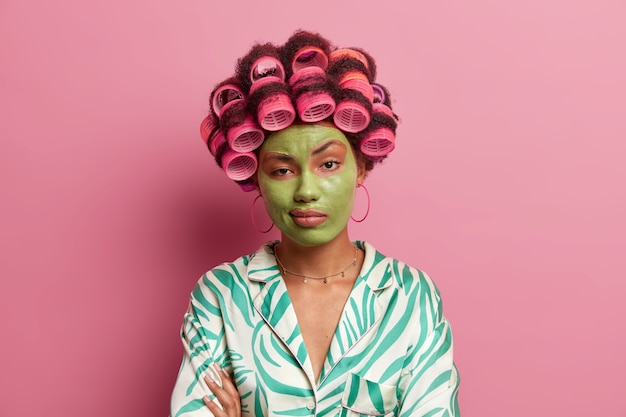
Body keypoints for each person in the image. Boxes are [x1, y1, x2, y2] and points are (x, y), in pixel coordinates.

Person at [170, 30, 460, 417]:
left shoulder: (410, 296)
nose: (306, 190)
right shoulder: (221, 296)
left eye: (328, 164)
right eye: (282, 169)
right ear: (256, 178)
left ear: (361, 168)